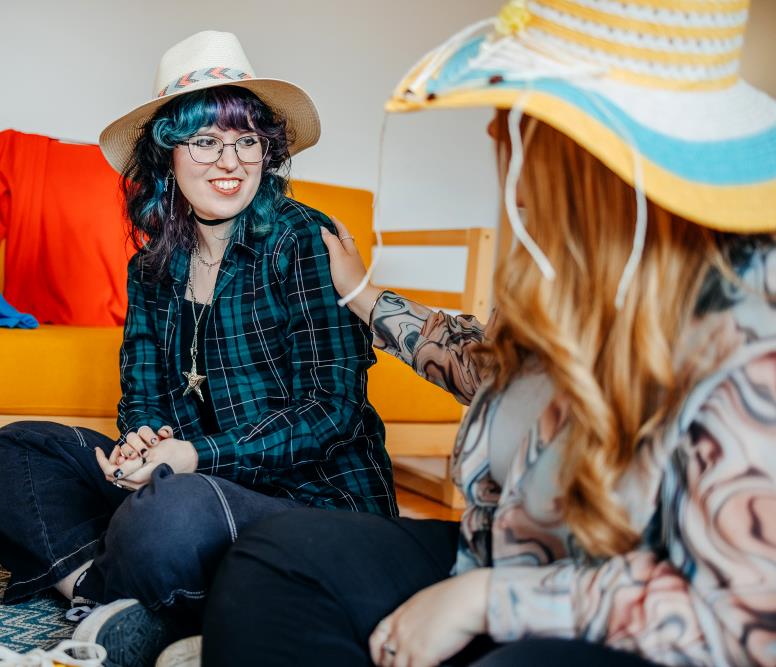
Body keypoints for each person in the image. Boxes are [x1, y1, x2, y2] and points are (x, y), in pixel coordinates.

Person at [202, 1, 776, 666]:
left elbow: (745, 618)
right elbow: (493, 372)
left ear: (583, 146)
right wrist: (363, 294)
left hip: (616, 624)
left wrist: (490, 600)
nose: (495, 130)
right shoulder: (560, 269)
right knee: (277, 561)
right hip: (491, 551)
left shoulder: (750, 336)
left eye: (520, 111)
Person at [0, 30, 394, 666]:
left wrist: (192, 457)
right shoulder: (152, 266)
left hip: (308, 503)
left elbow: (331, 413)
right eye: (205, 142)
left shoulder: (304, 241)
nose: (229, 162)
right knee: (18, 450)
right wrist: (140, 443)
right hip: (194, 483)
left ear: (267, 151)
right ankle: (123, 605)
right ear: (167, 156)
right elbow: (142, 395)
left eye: (247, 141)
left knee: (168, 514)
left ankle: (128, 596)